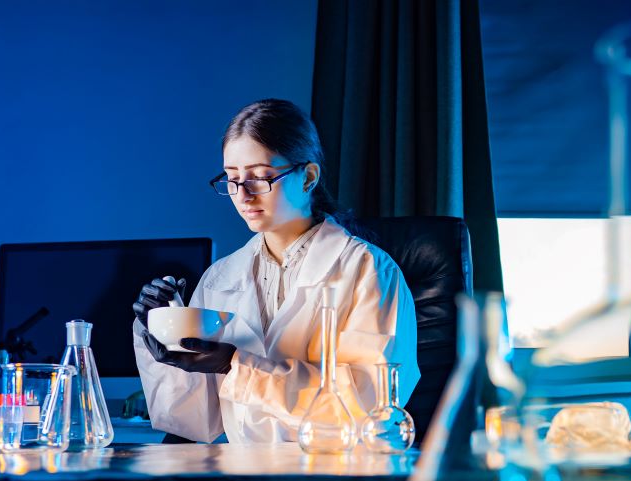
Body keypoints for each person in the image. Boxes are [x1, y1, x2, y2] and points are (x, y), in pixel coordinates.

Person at [131, 99, 420, 443]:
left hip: (339, 474)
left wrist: (236, 366)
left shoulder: (367, 270)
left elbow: (369, 404)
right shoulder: (221, 278)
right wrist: (162, 330)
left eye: (261, 177)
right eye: (233, 179)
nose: (243, 195)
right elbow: (195, 422)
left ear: (309, 177)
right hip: (245, 475)